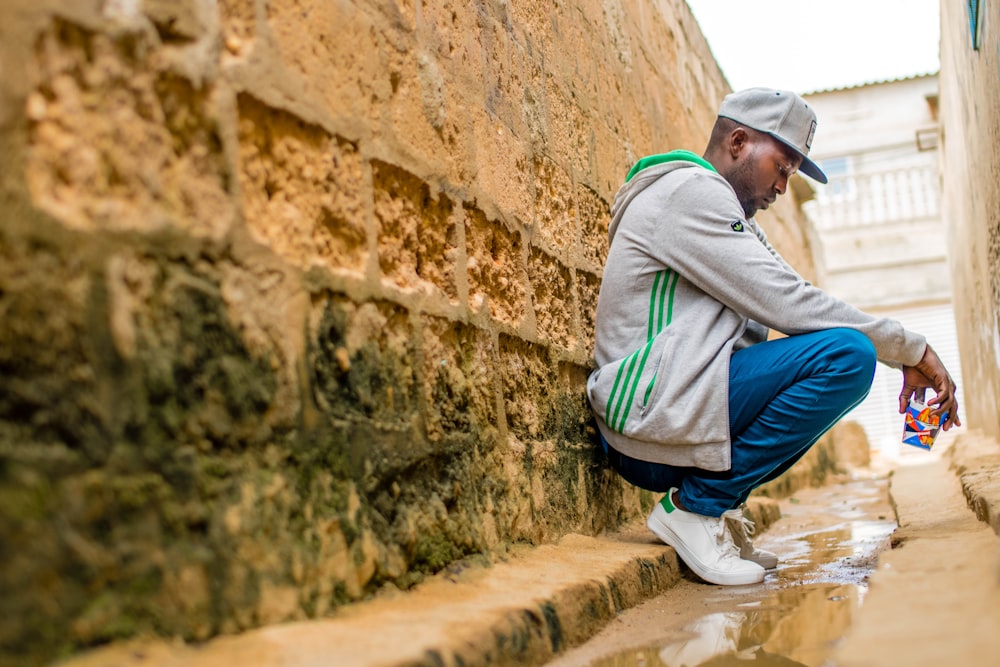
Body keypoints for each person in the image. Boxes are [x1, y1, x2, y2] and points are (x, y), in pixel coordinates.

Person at [586, 87, 960, 586]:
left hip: (669, 412)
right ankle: (695, 509)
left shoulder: (726, 212)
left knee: (836, 353)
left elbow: (793, 290)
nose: (784, 186)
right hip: (646, 417)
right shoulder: (691, 195)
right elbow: (791, 304)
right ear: (739, 141)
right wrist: (912, 349)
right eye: (782, 166)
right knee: (846, 357)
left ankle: (714, 508)